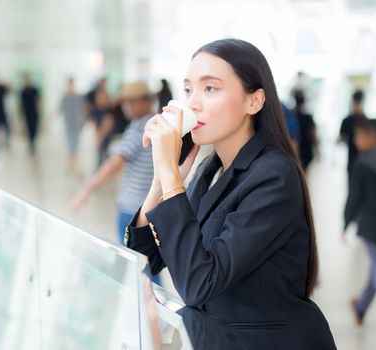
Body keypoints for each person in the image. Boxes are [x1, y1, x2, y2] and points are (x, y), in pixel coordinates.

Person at [125, 39, 336, 349]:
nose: (193, 103)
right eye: (188, 90)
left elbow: (199, 284)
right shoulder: (207, 171)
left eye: (210, 89)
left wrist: (172, 180)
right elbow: (146, 258)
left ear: (254, 102)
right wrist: (163, 179)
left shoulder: (274, 176)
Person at [71, 81, 155, 245]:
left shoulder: (140, 128)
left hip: (132, 208)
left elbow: (113, 164)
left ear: (148, 101)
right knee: (146, 260)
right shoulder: (153, 123)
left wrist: (86, 190)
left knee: (135, 259)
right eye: (124, 102)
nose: (127, 107)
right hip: (147, 206)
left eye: (133, 102)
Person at [343, 118, 376, 346]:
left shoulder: (361, 164)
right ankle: (361, 307)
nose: (356, 140)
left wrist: (345, 223)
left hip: (372, 226)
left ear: (372, 137)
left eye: (359, 136)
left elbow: (354, 199)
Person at [338, 90, 367, 176]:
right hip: (352, 158)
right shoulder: (347, 120)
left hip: (364, 160)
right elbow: (341, 138)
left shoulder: (365, 121)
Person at [60, 77, 86, 174]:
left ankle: (74, 165)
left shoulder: (78, 97)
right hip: (68, 125)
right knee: (70, 145)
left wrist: (84, 122)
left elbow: (83, 110)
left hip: (77, 125)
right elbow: (60, 109)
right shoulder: (65, 97)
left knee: (76, 145)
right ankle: (71, 166)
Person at [293, 89, 318, 170]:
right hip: (306, 150)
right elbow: (312, 134)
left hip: (294, 149)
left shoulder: (290, 116)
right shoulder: (308, 117)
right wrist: (317, 150)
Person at [20, 74, 40, 154]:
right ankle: (31, 143)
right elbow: (22, 104)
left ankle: (33, 141)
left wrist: (38, 109)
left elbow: (38, 100)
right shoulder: (23, 91)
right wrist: (21, 114)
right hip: (27, 113)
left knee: (34, 128)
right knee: (29, 128)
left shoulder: (35, 90)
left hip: (34, 112)